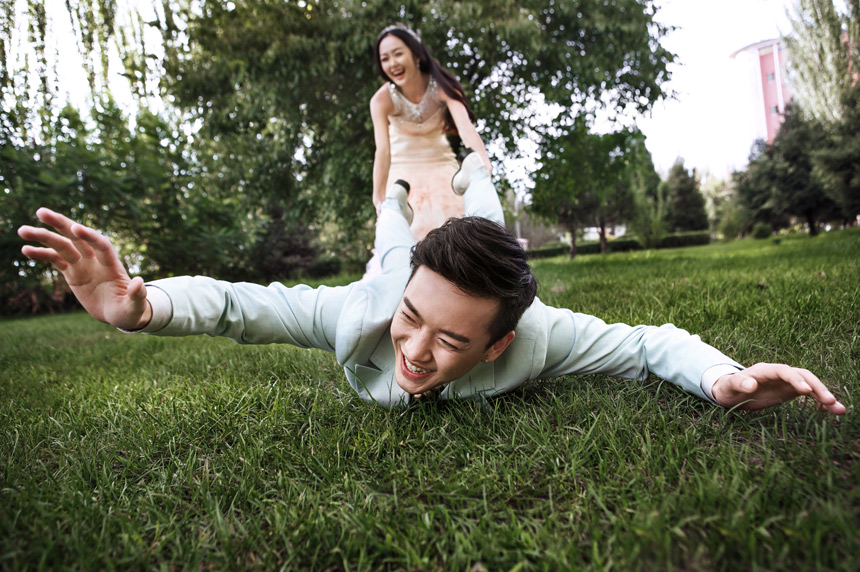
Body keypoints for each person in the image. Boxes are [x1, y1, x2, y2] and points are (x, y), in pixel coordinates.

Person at [17, 152, 846, 415]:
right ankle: (402, 199)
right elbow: (245, 304)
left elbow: (644, 346)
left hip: (460, 254)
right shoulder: (370, 314)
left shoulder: (542, 338)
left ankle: (467, 178)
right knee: (390, 240)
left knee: (483, 219)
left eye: (451, 340)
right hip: (390, 270)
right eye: (417, 324)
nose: (414, 352)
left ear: (499, 345)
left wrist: (722, 377)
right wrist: (142, 306)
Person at [369, 23, 492, 242]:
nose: (393, 63)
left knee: (455, 240)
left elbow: (467, 129)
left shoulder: (442, 87)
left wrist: (483, 167)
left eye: (398, 54)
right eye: (385, 58)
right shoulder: (381, 100)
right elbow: (383, 151)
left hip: (442, 169)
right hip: (402, 173)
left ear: (416, 54)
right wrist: (378, 198)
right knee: (409, 241)